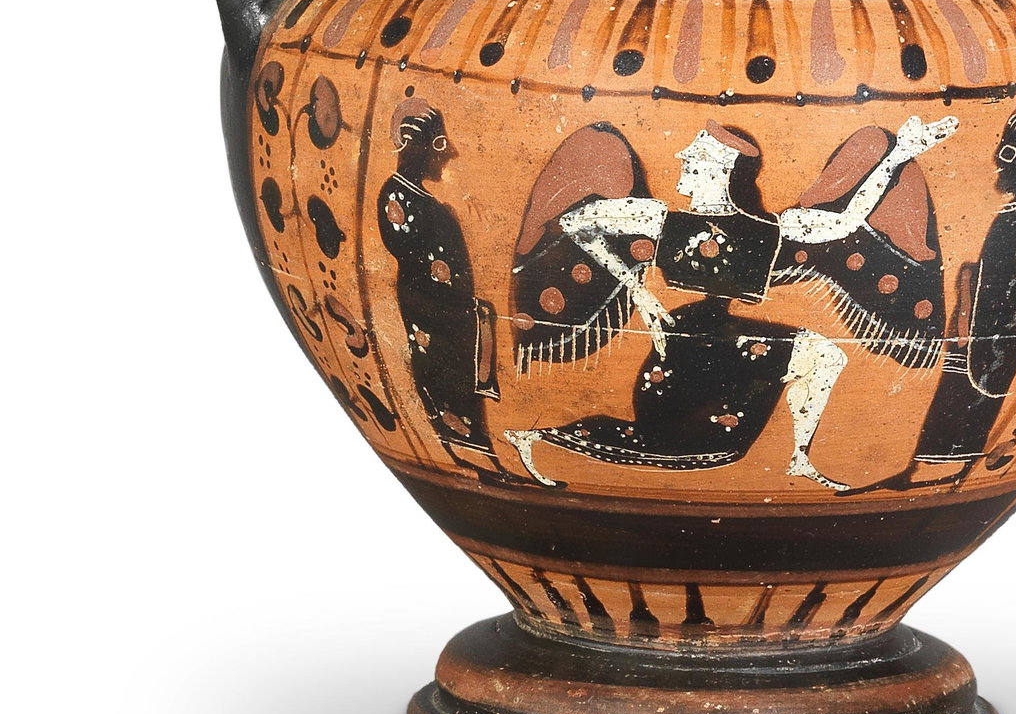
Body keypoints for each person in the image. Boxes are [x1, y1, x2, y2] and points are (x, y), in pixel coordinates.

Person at [505, 116, 955, 491]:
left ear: (721, 167)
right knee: (690, 445)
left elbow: (846, 222)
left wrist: (898, 154)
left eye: (695, 156)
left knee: (821, 360)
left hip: (724, 339)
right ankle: (540, 435)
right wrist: (636, 290)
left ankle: (799, 456)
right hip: (683, 341)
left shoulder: (768, 229)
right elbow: (576, 222)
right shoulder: (662, 218)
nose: (683, 158)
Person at [890, 101, 1016, 488]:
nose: (997, 162)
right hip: (976, 319)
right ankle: (929, 467)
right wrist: (966, 298)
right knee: (954, 387)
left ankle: (948, 468)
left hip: (1000, 330)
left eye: (1006, 152)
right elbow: (996, 268)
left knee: (974, 391)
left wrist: (973, 307)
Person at [377, 99, 502, 474]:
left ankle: (479, 452)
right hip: (428, 307)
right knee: (439, 371)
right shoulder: (397, 195)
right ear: (418, 146)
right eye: (440, 143)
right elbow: (411, 254)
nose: (449, 153)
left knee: (458, 374)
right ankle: (461, 452)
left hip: (448, 309)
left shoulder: (427, 202)